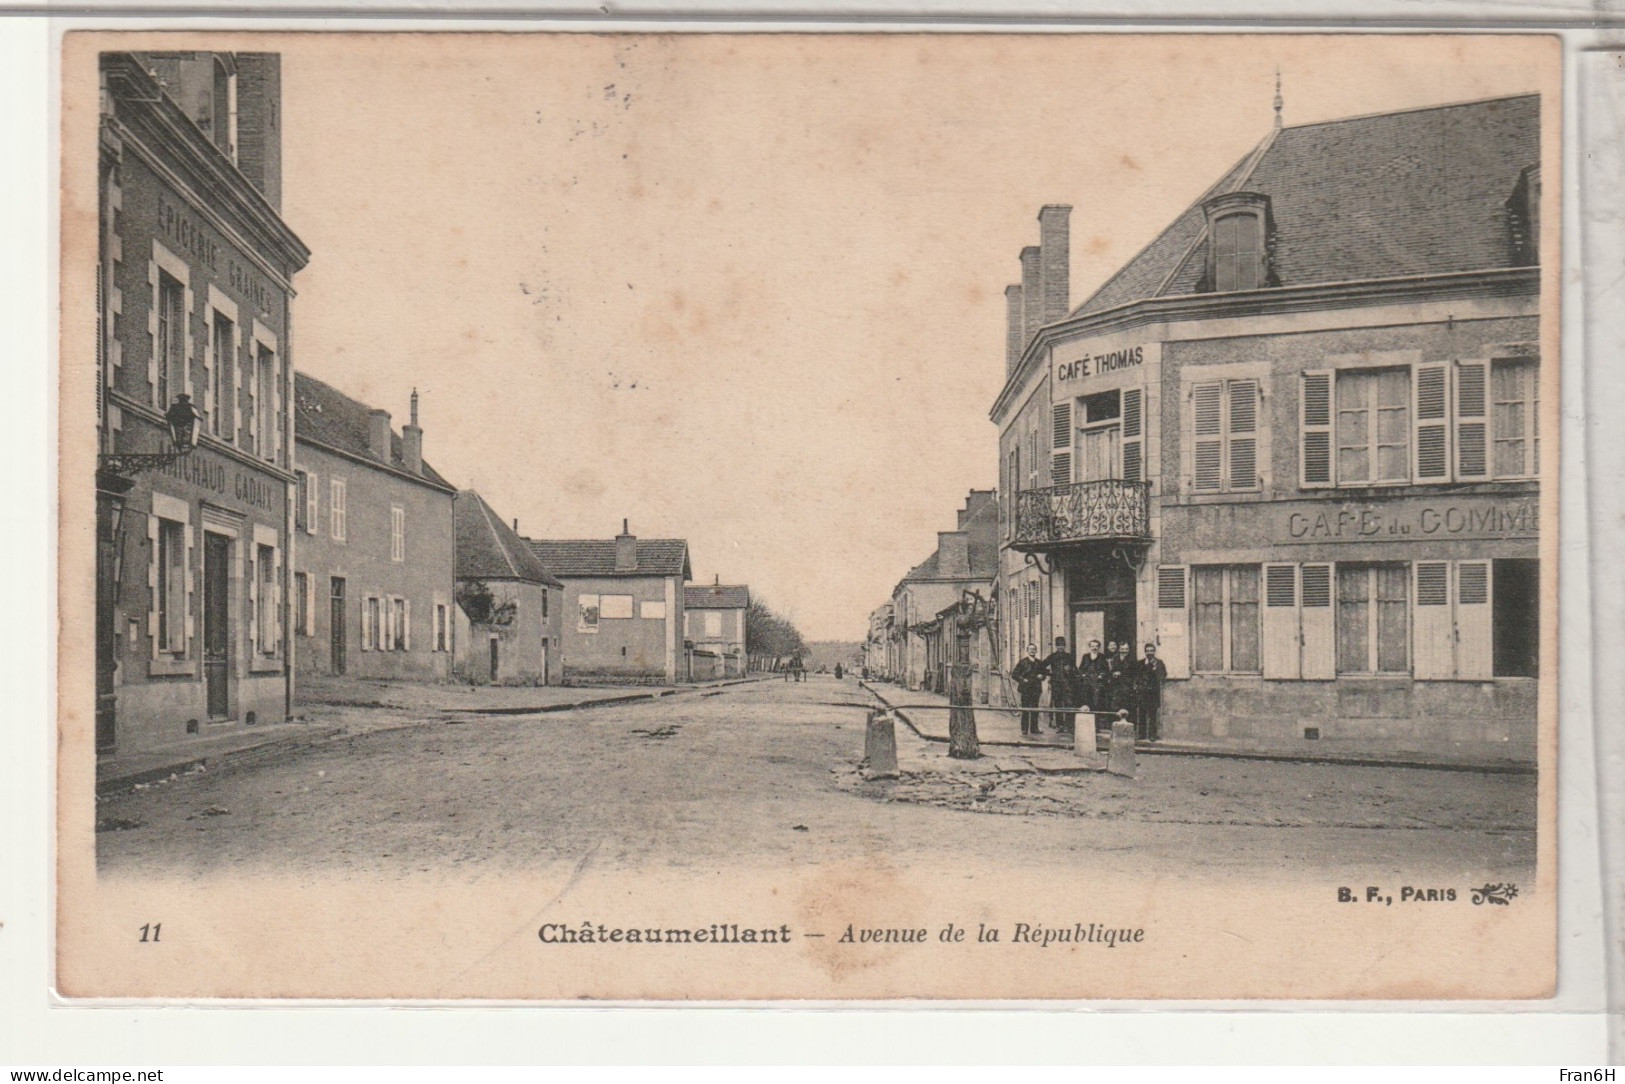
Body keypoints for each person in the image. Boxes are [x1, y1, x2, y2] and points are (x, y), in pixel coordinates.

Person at [1041, 636, 1082, 737]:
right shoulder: (1052, 656)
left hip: (1068, 684)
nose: (1060, 647)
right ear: (1056, 646)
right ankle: (1060, 726)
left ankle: (1069, 725)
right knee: (1058, 704)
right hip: (1056, 684)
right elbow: (1041, 666)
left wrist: (1070, 670)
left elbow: (1075, 670)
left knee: (1068, 704)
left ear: (1065, 646)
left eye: (1062, 645)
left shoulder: (1070, 656)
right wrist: (1049, 674)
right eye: (1058, 645)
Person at [1134, 642, 1168, 742]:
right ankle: (1141, 734)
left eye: (1151, 651)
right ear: (1145, 652)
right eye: (1147, 651)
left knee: (1152, 715)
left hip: (1153, 693)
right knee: (1141, 713)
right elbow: (1136, 676)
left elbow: (1162, 676)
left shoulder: (1159, 663)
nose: (1149, 653)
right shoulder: (1140, 663)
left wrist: (1154, 669)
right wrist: (1138, 686)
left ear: (1154, 652)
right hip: (1142, 692)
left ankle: (1152, 735)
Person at [1011, 645, 1045, 737]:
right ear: (1027, 651)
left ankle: (1034, 728)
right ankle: (1024, 729)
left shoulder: (1039, 663)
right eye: (1030, 649)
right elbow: (1014, 674)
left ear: (1036, 651)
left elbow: (1044, 674)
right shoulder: (1022, 662)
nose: (1032, 651)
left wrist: (1042, 676)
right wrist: (1022, 680)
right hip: (1025, 688)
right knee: (1025, 709)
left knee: (1035, 709)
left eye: (1034, 649)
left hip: (1036, 688)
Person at [1077, 638, 1110, 732]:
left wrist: (1101, 676)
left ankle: (1096, 726)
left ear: (1099, 648)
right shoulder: (1085, 656)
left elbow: (1106, 670)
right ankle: (1087, 726)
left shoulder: (1102, 657)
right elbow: (1080, 669)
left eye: (1096, 646)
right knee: (1087, 703)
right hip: (1087, 684)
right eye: (1092, 646)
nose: (1094, 648)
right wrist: (1083, 674)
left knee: (1096, 704)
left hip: (1097, 685)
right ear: (1089, 647)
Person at [1105, 641, 1132, 731]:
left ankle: (1125, 729)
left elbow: (1133, 674)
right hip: (1115, 687)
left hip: (1127, 687)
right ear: (1119, 649)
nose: (1125, 651)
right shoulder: (1113, 659)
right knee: (1114, 707)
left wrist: (1121, 674)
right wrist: (1113, 674)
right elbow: (1108, 672)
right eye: (1122, 649)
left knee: (1126, 707)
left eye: (1126, 649)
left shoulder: (1132, 660)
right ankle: (1114, 728)